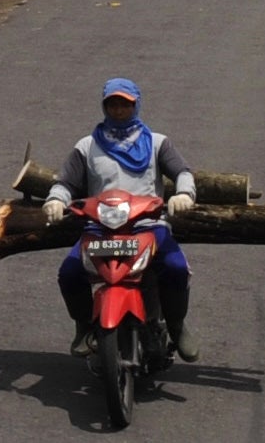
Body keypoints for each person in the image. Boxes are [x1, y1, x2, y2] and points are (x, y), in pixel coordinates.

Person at [46, 76, 197, 362]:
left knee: (176, 268)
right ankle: (82, 326)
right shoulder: (87, 146)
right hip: (100, 229)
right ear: (104, 107)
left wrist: (184, 193)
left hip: (147, 226)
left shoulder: (157, 143)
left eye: (124, 105)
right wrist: (56, 199)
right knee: (69, 273)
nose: (118, 110)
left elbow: (182, 172)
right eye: (112, 104)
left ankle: (177, 327)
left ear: (136, 105)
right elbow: (65, 182)